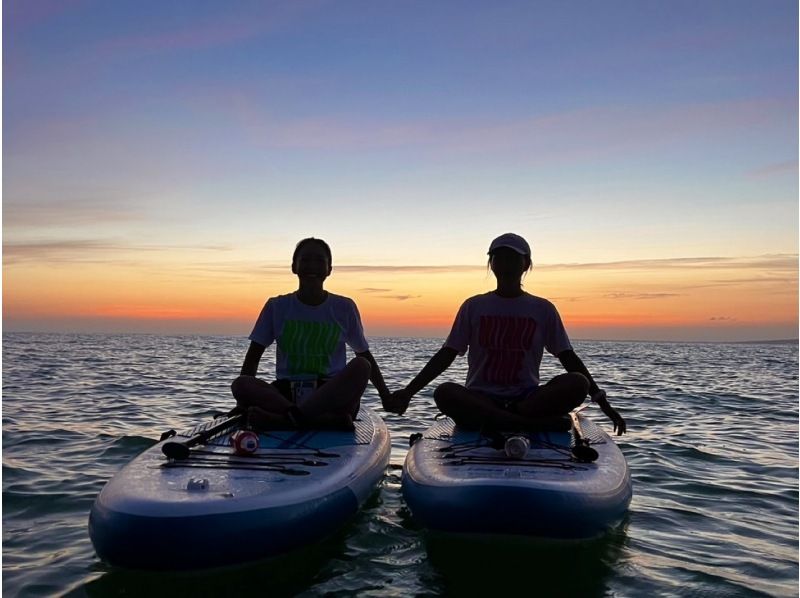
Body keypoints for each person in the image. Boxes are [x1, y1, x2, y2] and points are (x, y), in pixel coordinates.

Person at [384, 233, 626, 435]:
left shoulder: (542, 309)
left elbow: (568, 357)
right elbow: (447, 354)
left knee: (577, 383)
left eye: (513, 257)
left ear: (526, 264)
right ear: (491, 264)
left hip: (528, 401)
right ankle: (525, 425)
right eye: (498, 256)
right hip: (481, 399)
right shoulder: (474, 306)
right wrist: (409, 392)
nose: (505, 261)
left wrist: (601, 400)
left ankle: (503, 420)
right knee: (445, 392)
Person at [232, 237, 391, 430]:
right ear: (294, 267)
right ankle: (315, 420)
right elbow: (254, 355)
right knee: (241, 384)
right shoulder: (277, 306)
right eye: (306, 260)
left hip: (331, 394)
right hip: (286, 393)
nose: (312, 266)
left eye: (319, 260)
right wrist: (242, 403)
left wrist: (385, 396)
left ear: (329, 269)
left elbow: (364, 354)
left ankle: (285, 420)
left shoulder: (344, 307)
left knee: (362, 366)